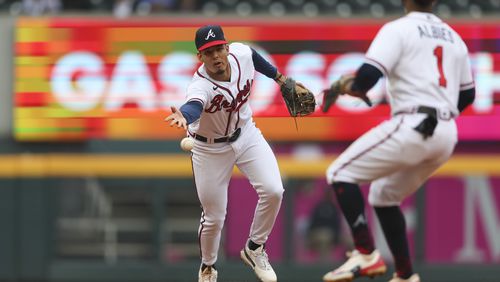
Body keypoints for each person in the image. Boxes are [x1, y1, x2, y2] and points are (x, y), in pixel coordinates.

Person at [321, 0, 475, 282]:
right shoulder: (455, 38)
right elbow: (467, 96)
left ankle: (365, 253)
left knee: (339, 173)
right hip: (445, 133)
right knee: (383, 195)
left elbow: (367, 77)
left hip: (413, 123)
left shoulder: (398, 29)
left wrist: (348, 86)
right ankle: (405, 275)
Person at [166, 25, 305, 282]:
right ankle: (208, 266)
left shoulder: (240, 54)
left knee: (274, 190)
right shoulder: (200, 85)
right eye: (209, 52)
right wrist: (183, 116)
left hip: (246, 133)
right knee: (214, 218)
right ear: (201, 57)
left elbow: (253, 55)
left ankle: (254, 248)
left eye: (219, 48)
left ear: (227, 47)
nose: (216, 56)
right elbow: (194, 106)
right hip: (209, 148)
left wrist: (280, 79)